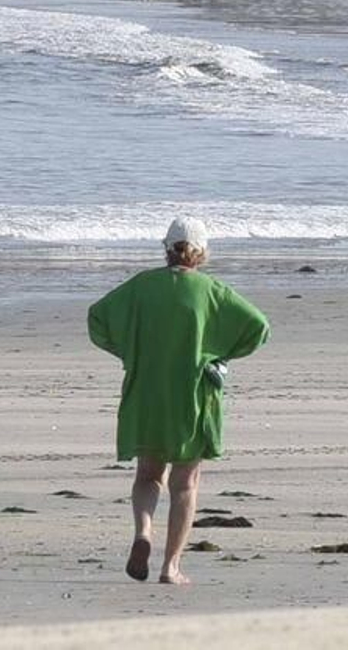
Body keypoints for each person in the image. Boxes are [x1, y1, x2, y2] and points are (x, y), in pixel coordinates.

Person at [88, 217, 270, 586]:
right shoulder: (212, 290)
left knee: (148, 475)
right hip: (192, 396)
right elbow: (258, 327)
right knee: (185, 483)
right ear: (201, 252)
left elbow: (97, 319)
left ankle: (143, 532)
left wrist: (129, 351)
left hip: (146, 392)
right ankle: (170, 566)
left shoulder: (141, 286)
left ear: (167, 249)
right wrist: (217, 353)